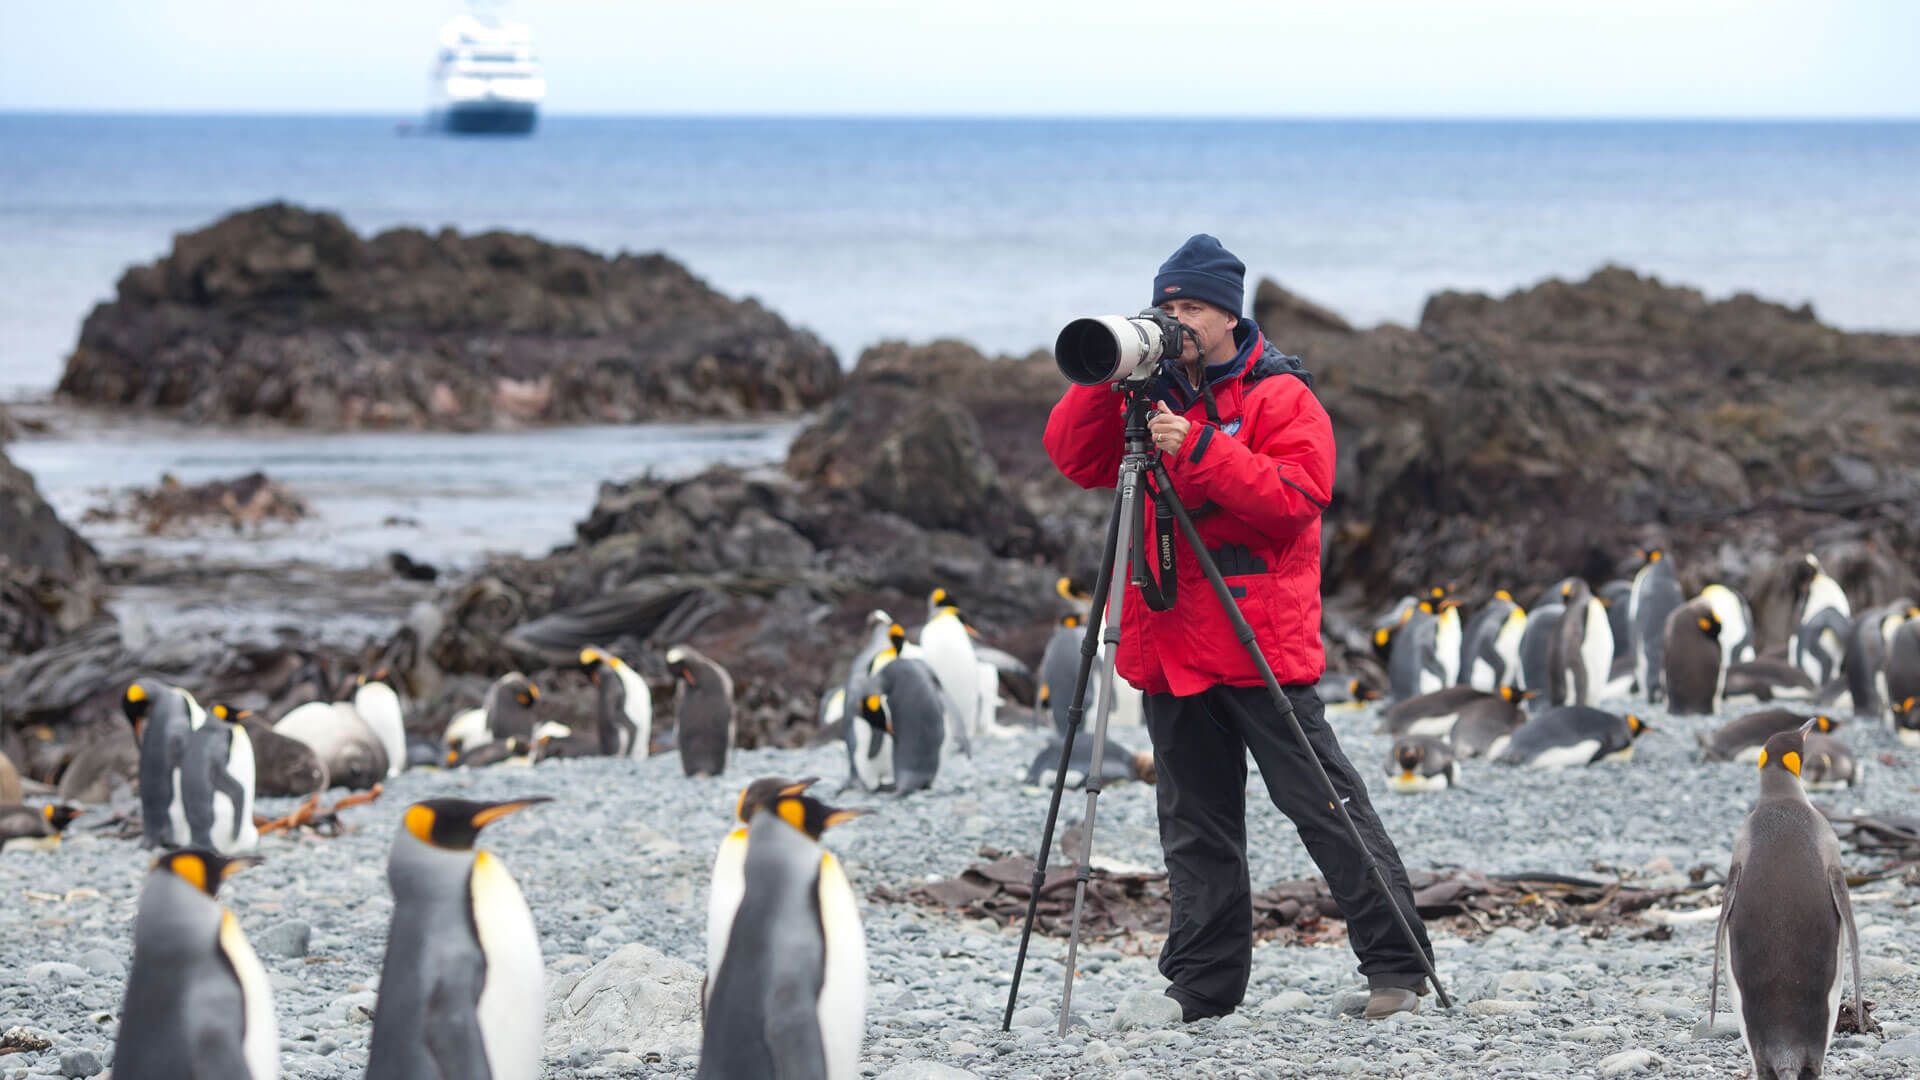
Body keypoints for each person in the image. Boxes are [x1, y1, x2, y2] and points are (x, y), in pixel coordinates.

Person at [1042, 234, 1434, 1021]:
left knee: (1325, 807)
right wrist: (1111, 372)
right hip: (1168, 637)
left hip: (1257, 640)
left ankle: (1396, 966)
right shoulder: (1146, 392)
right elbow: (1073, 459)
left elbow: (1294, 501)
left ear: (1228, 316)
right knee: (1194, 823)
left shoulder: (1281, 396)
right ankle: (1203, 987)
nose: (1177, 321)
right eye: (1168, 306)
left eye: (1190, 308)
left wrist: (1202, 448)